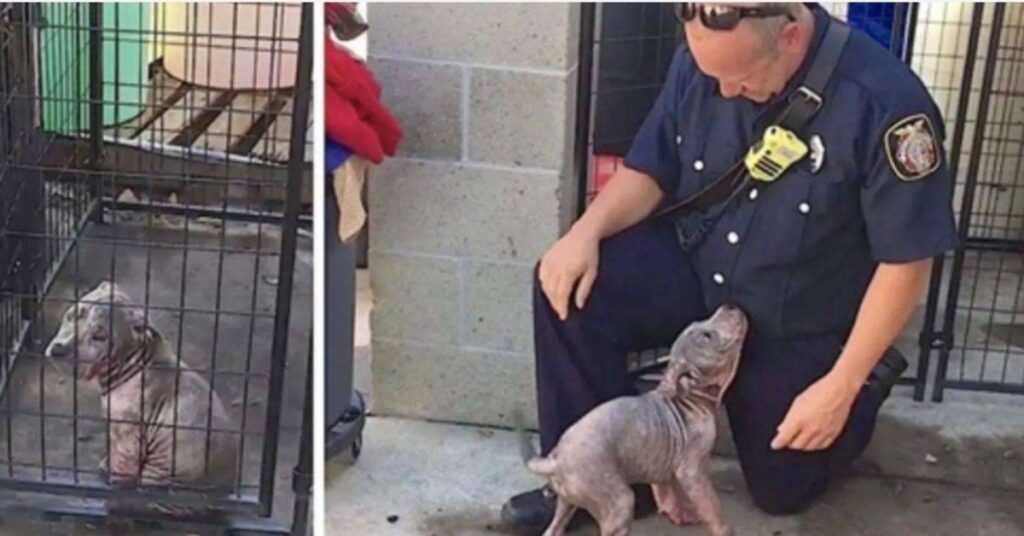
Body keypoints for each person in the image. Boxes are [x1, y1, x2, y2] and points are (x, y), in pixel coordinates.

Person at [501, 2, 957, 532]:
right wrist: (584, 233)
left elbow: (906, 261)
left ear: (789, 37)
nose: (721, 92)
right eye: (709, 74)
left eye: (739, 78)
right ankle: (594, 480)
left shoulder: (887, 105)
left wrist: (842, 384)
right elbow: (651, 167)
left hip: (794, 310)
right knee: (569, 286)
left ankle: (861, 389)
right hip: (701, 267)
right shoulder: (705, 60)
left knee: (782, 489)